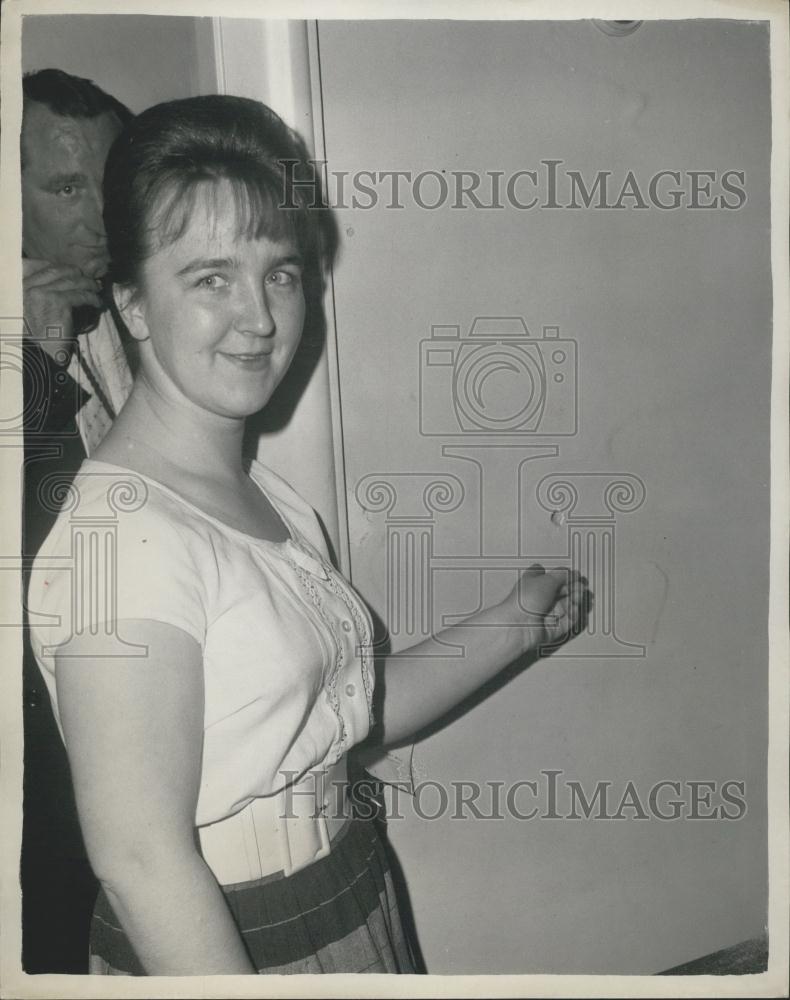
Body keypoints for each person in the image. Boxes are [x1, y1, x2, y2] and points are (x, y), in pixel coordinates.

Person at [27, 95, 591, 975]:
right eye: (210, 278)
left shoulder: (264, 496)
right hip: (228, 943)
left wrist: (519, 621)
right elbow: (141, 861)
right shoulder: (124, 536)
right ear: (133, 303)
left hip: (345, 897)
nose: (259, 317)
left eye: (279, 273)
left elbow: (348, 717)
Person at [20, 68, 134, 973]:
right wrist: (37, 363)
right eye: (63, 187)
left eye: (107, 180)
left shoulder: (112, 310)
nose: (99, 214)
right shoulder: (43, 331)